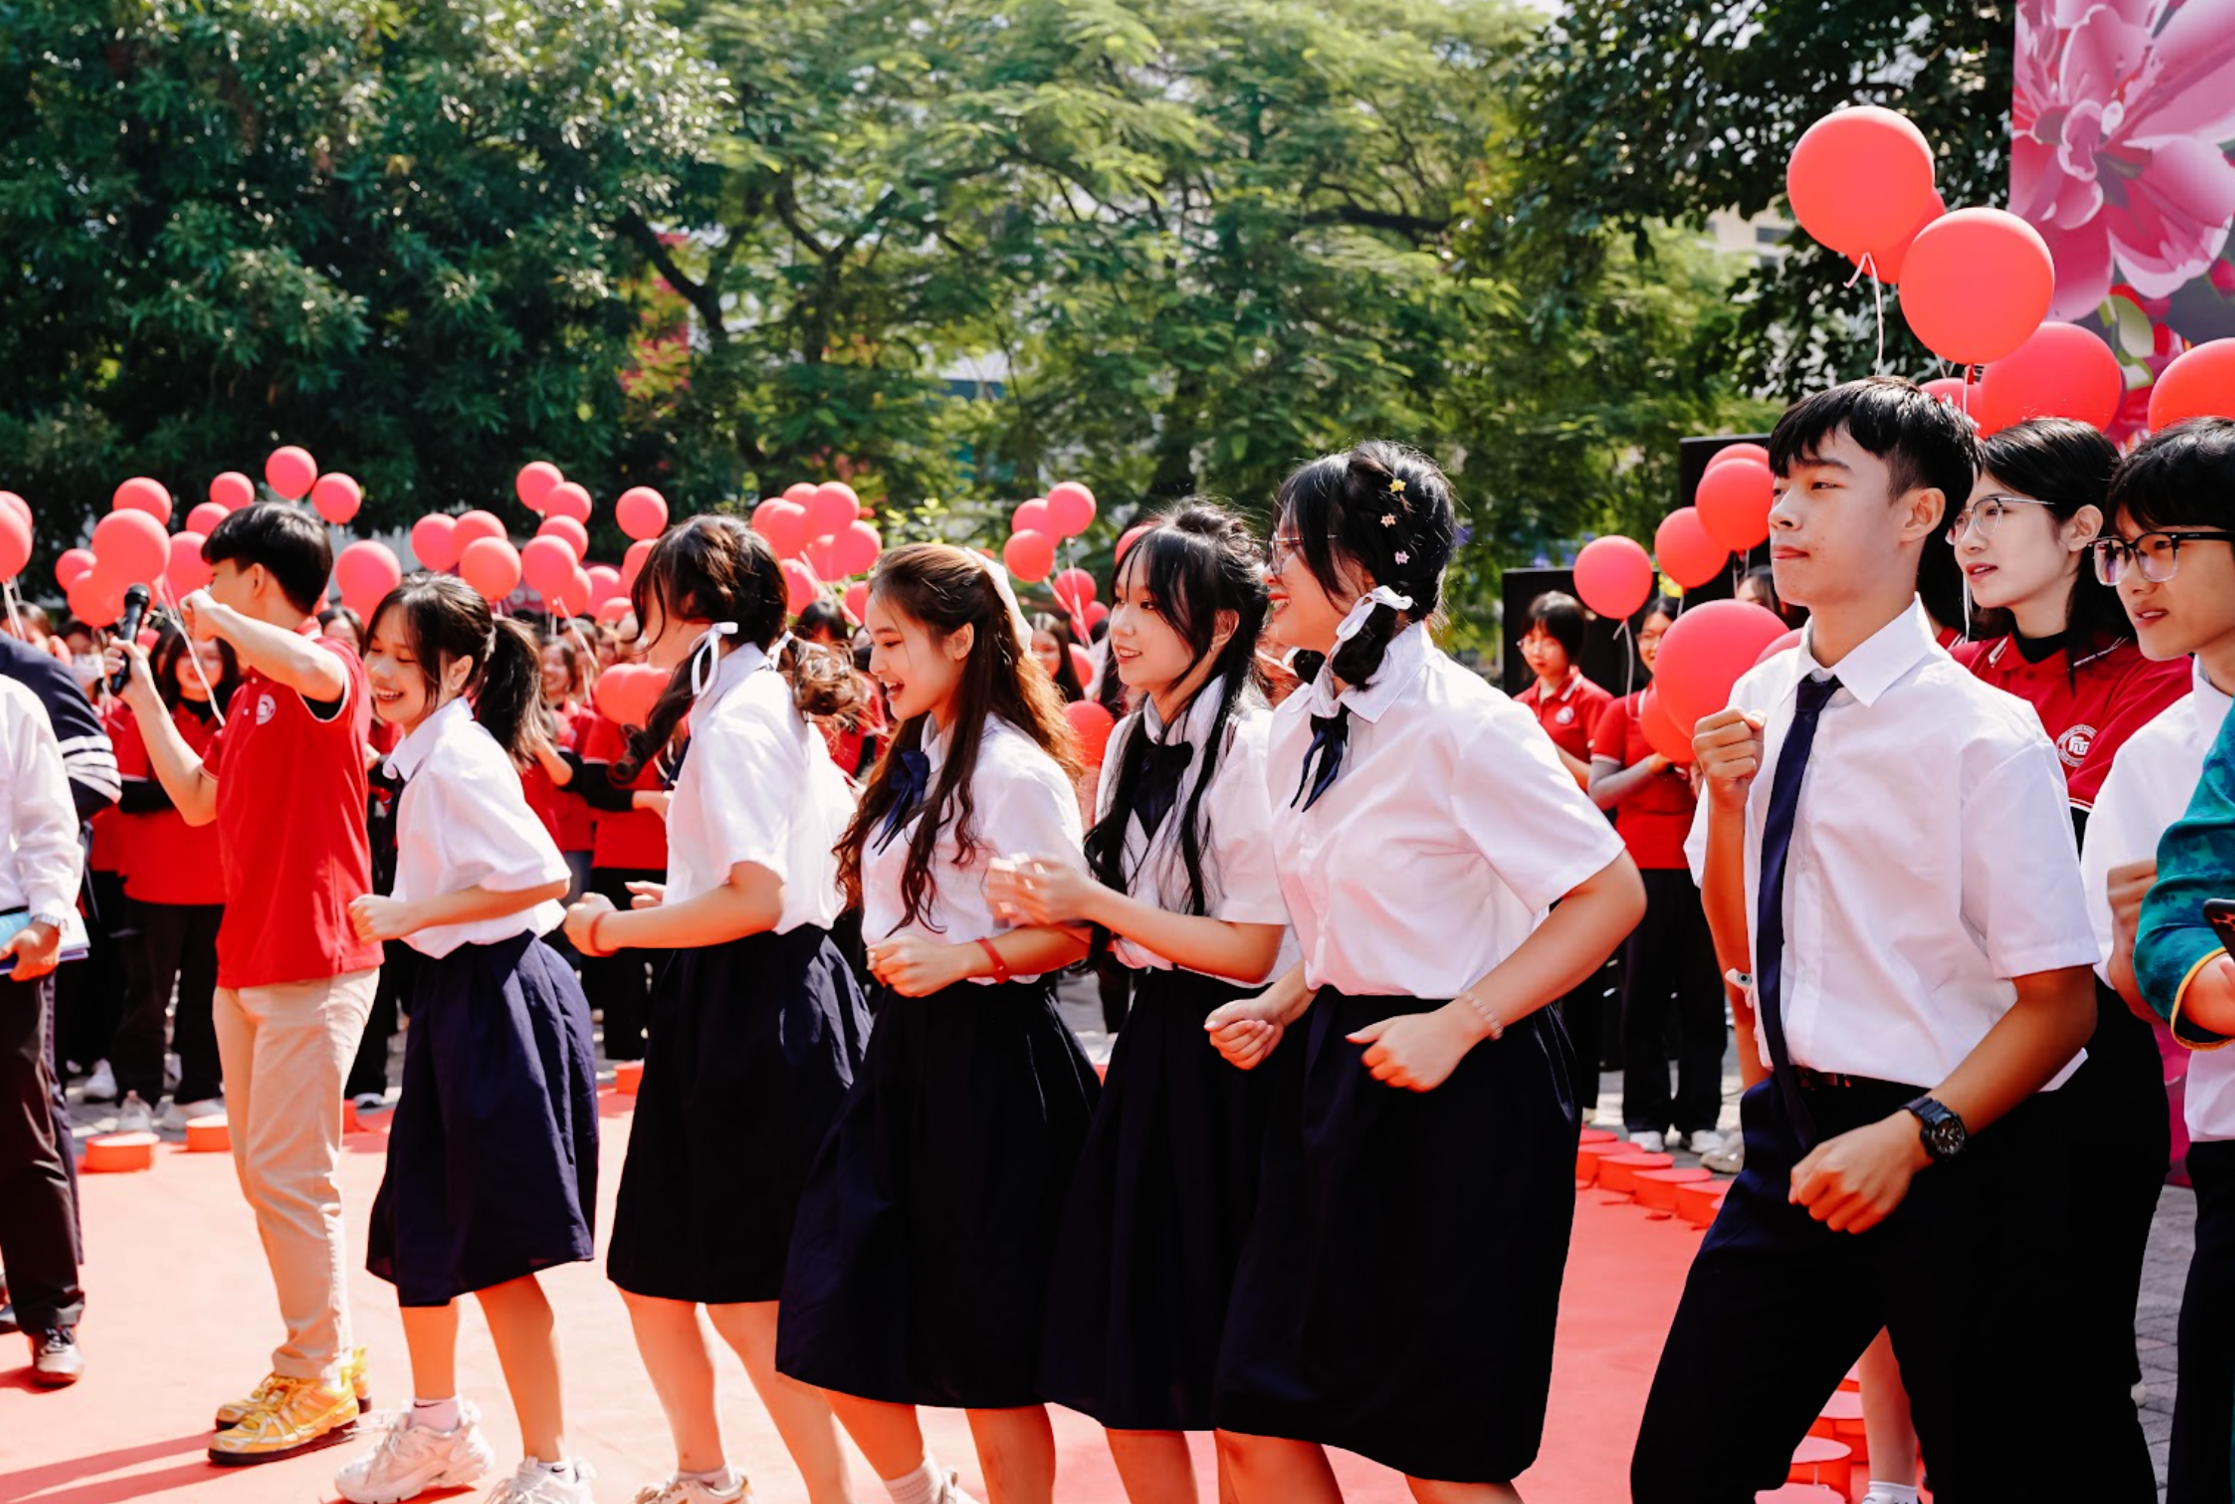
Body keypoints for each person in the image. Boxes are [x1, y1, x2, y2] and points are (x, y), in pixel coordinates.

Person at [1630, 377, 2153, 1501]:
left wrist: (1915, 1138)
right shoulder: (1764, 688)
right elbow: (1738, 933)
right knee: (1681, 1465)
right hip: (1796, 1137)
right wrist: (1723, 803)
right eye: (1781, 489)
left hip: (1963, 1145)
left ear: (1920, 516)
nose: (1785, 516)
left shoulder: (1981, 732)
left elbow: (2058, 1006)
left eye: (1823, 488)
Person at [1203, 442, 1643, 1504]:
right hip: (1335, 1075)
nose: (1269, 571)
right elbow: (1349, 908)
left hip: (1471, 1093)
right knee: (1256, 1406)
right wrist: (1285, 994)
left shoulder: (1467, 725)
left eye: (1291, 550)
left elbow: (1609, 894)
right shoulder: (1298, 723)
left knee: (1440, 1444)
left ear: (1361, 571)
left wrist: (1461, 1022)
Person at [1854, 416, 2187, 1501]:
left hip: (2094, 1063)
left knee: (2084, 1363)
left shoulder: (2156, 681)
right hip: (1964, 1060)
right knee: (1968, 1352)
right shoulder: (1958, 669)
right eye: (1964, 514)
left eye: (1996, 511)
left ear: (2085, 526)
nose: (1967, 537)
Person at [777, 544, 1098, 1504]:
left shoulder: (1012, 770)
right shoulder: (911, 753)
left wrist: (966, 957)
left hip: (993, 1065)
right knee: (831, 1305)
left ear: (961, 640)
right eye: (872, 641)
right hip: (902, 1055)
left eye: (891, 641)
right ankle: (923, 1493)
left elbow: (1073, 929)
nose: (875, 664)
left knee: (989, 1346)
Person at [563, 517, 870, 1504]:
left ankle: (846, 1492)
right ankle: (706, 1473)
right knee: (653, 1271)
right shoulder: (752, 702)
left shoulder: (739, 718)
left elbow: (756, 897)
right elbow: (751, 882)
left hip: (755, 1009)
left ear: (694, 604)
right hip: (734, 996)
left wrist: (615, 932)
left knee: (747, 1296)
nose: (633, 612)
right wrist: (676, 900)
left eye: (648, 590)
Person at [993, 504, 1289, 1504]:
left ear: (1218, 627)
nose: (1122, 626)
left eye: (1151, 606)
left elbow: (1254, 947)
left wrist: (1095, 902)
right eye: (1120, 600)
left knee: (1244, 1389)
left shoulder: (1254, 748)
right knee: (1129, 1373)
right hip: (1155, 1051)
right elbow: (1126, 920)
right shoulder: (1126, 737)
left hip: (1243, 1061)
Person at [110, 502, 383, 1464]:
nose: (206, 591)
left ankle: (315, 1374)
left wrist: (218, 623)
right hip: (249, 962)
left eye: (220, 576)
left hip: (316, 961)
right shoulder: (254, 699)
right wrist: (145, 690)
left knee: (293, 1180)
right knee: (267, 1180)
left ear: (256, 582)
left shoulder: (323, 671)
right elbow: (196, 801)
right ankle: (323, 1356)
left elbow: (314, 667)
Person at [327, 575, 597, 1504]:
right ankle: (438, 1429)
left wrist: (410, 912)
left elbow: (535, 877)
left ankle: (552, 1462)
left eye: (410, 656)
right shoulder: (423, 754)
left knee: (497, 1246)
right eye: (379, 651)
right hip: (458, 999)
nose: (386, 670)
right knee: (425, 1226)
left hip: (498, 1002)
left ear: (463, 667)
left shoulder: (458, 759)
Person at [2103, 418, 2235, 1504]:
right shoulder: (2158, 755)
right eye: (2123, 551)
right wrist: (2154, 947)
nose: (2136, 579)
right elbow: (2129, 963)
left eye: (2164, 546)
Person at [1587, 598, 1724, 1156]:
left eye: (1666, 633)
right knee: (1640, 999)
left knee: (1702, 999)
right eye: (1647, 634)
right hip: (1639, 872)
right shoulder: (1622, 711)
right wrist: (1654, 763)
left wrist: (1699, 777)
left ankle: (1700, 1116)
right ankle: (1643, 1114)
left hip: (1702, 872)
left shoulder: (1711, 713)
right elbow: (1599, 793)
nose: (1654, 643)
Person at [0, 673, 89, 1386]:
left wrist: (49, 917)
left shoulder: (12, 702)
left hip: (7, 945)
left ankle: (51, 1312)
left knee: (22, 1128)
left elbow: (48, 823)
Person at [110, 628, 236, 1128]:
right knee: (148, 996)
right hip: (155, 884)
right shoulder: (151, 714)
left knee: (211, 995)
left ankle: (199, 1088)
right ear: (168, 659)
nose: (198, 663)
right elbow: (129, 794)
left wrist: (191, 787)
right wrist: (201, 789)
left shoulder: (237, 716)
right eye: (189, 653)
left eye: (212, 654)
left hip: (222, 884)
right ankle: (138, 1093)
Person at [1516, 589, 1618, 1117]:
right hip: (1527, 859)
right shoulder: (1517, 706)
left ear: (1571, 646)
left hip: (1580, 859)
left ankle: (1584, 1098)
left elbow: (1597, 784)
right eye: (1529, 640)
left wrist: (1547, 748)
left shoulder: (1596, 703)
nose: (1536, 651)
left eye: (1548, 641)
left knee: (1579, 980)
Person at [1030, 611, 1087, 703]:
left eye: (1048, 649)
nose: (1038, 657)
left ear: (1062, 654)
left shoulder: (1076, 702)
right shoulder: (1004, 705)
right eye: (1030, 649)